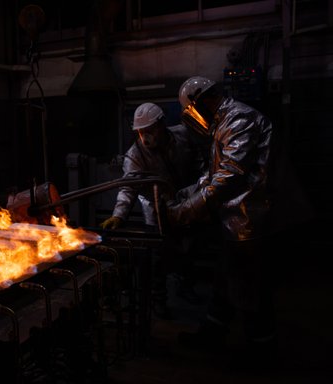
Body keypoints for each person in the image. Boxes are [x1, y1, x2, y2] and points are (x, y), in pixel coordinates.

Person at [167, 75, 312, 366]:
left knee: (251, 288)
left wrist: (185, 211)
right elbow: (213, 173)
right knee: (225, 280)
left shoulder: (238, 119)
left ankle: (262, 351)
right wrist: (183, 195)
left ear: (202, 102)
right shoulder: (224, 123)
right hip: (239, 222)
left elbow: (229, 175)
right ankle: (212, 333)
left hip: (254, 222)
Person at [100, 102, 205, 318]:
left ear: (162, 125)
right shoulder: (136, 155)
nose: (145, 137)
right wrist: (118, 215)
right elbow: (127, 187)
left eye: (149, 131)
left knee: (189, 248)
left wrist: (198, 189)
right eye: (140, 132)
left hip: (187, 200)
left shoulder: (183, 135)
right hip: (156, 209)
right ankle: (159, 300)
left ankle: (185, 286)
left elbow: (200, 162)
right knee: (158, 257)